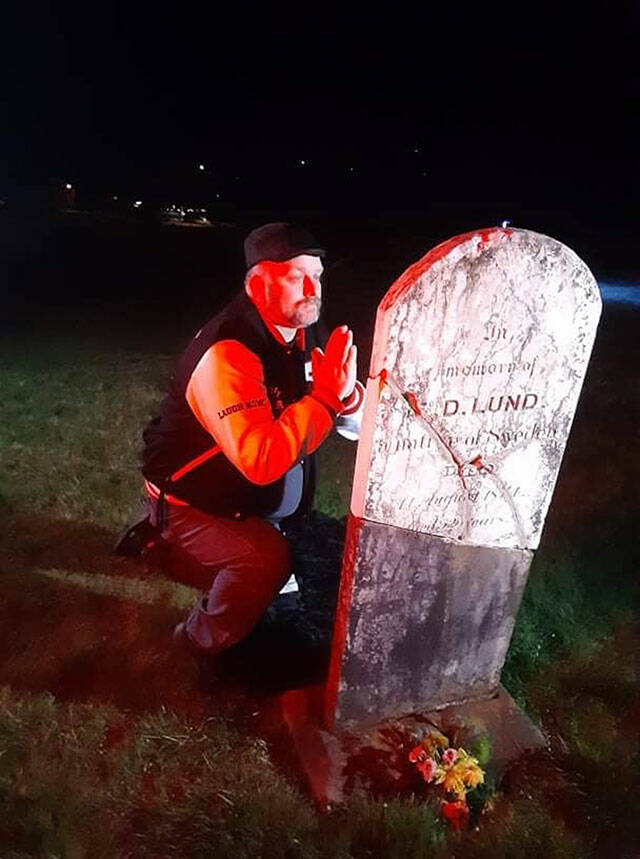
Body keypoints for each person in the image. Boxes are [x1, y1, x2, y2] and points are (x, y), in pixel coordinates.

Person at [139, 222, 364, 655]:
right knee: (264, 562)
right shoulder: (229, 352)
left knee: (287, 550)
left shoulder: (298, 330)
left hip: (244, 498)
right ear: (258, 284)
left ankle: (246, 554)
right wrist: (324, 403)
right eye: (297, 276)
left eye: (317, 276)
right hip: (190, 502)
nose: (312, 288)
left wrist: (347, 398)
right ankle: (197, 641)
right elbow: (259, 460)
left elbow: (342, 418)